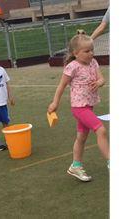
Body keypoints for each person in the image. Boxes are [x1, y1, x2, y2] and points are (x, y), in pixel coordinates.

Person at [47, 30, 110, 182]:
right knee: (100, 130)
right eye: (87, 51)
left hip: (89, 106)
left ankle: (75, 165)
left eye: (92, 50)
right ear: (76, 53)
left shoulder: (93, 63)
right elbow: (61, 86)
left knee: (81, 137)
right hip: (79, 107)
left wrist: (99, 82)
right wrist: (55, 102)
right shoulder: (72, 67)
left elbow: (102, 79)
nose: (91, 53)